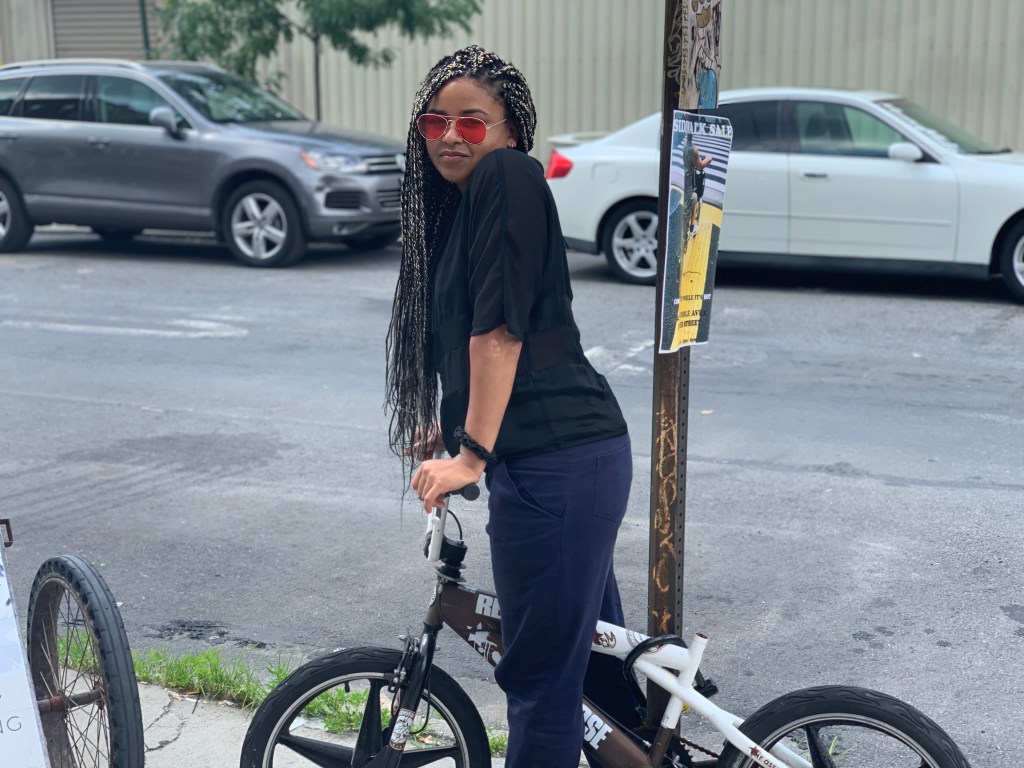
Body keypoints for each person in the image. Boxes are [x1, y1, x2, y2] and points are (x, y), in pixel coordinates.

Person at [385, 45, 642, 768]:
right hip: (563, 462)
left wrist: (470, 455)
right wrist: (453, 425)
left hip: (556, 465)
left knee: (539, 685)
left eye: (472, 123)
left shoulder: (506, 176)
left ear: (508, 133)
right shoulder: (470, 208)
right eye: (436, 123)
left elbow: (501, 333)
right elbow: (492, 346)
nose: (448, 138)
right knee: (594, 678)